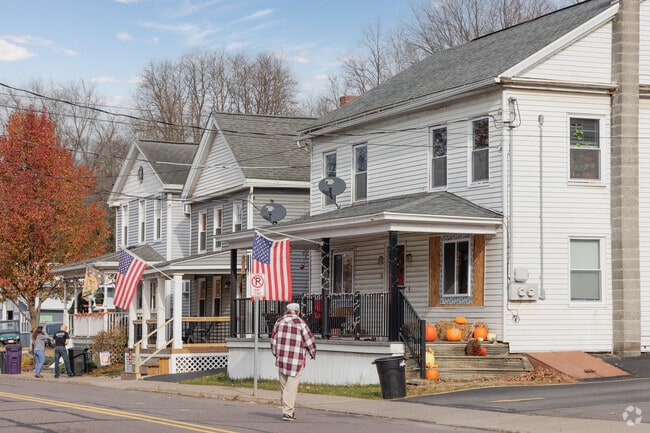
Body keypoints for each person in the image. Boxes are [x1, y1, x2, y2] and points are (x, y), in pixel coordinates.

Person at [270, 302, 317, 422]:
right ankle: (288, 412)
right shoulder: (300, 323)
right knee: (291, 386)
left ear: (287, 311)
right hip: (296, 359)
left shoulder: (279, 321)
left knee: (284, 385)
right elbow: (309, 339)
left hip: (281, 358)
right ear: (298, 311)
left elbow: (273, 339)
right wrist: (312, 352)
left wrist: (275, 352)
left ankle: (288, 409)